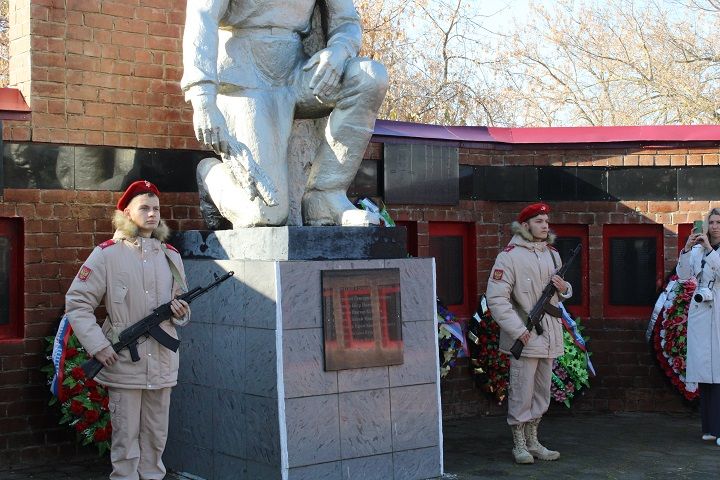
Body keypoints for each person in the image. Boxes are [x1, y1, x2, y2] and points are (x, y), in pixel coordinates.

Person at [181, 0, 388, 228]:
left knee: (369, 77)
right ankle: (210, 173)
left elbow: (346, 21)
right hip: (245, 77)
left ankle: (325, 195)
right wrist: (202, 97)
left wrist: (339, 50)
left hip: (296, 69)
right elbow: (202, 17)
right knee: (265, 214)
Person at [64, 180, 190, 480]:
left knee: (156, 439)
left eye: (156, 209)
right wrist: (98, 345)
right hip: (124, 365)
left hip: (162, 363)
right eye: (144, 208)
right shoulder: (107, 254)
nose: (152, 214)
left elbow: (180, 306)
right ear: (126, 213)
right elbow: (78, 302)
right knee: (125, 442)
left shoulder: (171, 256)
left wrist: (181, 313)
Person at [486, 203, 572, 464]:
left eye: (546, 221)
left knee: (541, 392)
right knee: (521, 391)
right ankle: (519, 444)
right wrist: (519, 331)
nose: (545, 225)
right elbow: (496, 299)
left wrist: (565, 288)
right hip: (524, 336)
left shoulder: (553, 255)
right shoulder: (508, 257)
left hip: (549, 335)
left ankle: (534, 441)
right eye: (538, 221)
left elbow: (561, 297)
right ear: (525, 226)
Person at [678, 207, 720, 445]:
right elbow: (684, 276)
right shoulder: (696, 250)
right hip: (701, 315)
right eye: (711, 222)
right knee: (705, 371)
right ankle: (709, 428)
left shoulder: (711, 250)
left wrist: (710, 249)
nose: (714, 226)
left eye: (718, 222)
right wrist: (686, 249)